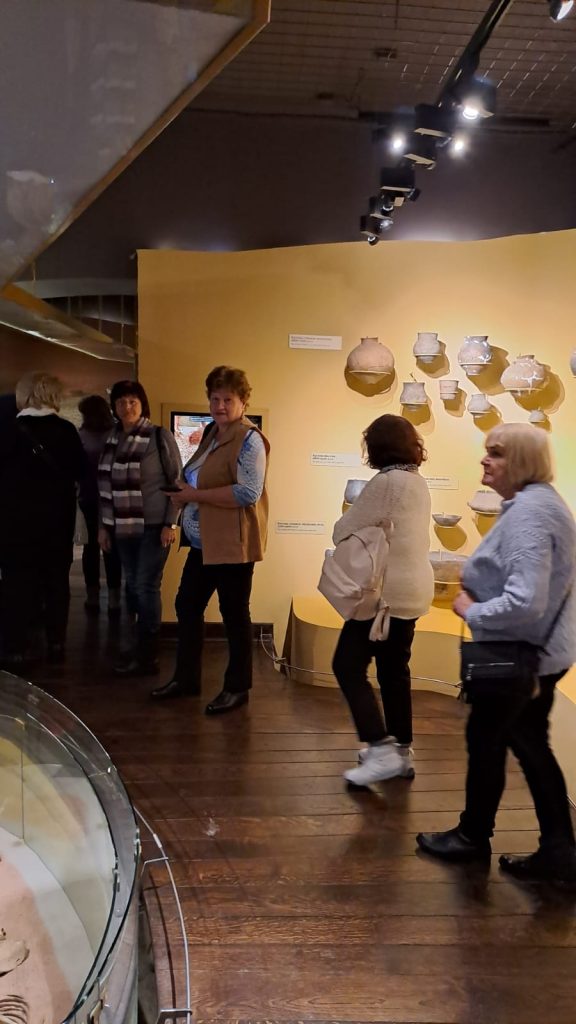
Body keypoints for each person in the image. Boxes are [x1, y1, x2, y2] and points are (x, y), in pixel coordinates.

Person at [417, 424, 576, 887]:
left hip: (521, 653)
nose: (486, 460)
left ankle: (475, 837)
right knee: (526, 744)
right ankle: (558, 853)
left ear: (523, 461)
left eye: (498, 453)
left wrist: (473, 610)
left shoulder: (530, 512)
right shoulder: (538, 504)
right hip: (537, 652)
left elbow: (526, 600)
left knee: (491, 740)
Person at [151, 365, 270, 715]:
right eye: (215, 399)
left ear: (243, 402)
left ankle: (237, 688)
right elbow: (199, 478)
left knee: (234, 616)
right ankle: (186, 679)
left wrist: (194, 496)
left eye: (228, 400)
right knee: (187, 606)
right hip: (204, 542)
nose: (220, 406)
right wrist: (183, 493)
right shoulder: (211, 433)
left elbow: (247, 493)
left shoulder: (250, 440)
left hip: (232, 544)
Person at [332, 414, 434, 785]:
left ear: (376, 447)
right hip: (413, 591)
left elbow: (343, 530)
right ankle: (402, 751)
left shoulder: (386, 482)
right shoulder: (417, 481)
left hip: (384, 597)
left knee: (347, 665)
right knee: (394, 671)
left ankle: (379, 748)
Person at [0, 372, 86, 666]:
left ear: (23, 395)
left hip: (15, 525)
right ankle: (56, 643)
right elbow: (79, 472)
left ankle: (15, 646)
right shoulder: (67, 431)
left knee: (16, 585)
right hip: (57, 523)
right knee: (56, 583)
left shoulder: (7, 431)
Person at [98, 380, 182, 676]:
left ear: (142, 404)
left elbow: (176, 482)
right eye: (121, 401)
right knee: (132, 586)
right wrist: (104, 527)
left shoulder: (158, 436)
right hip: (122, 527)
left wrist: (171, 523)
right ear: (114, 407)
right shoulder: (111, 440)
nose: (127, 407)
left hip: (155, 526)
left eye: (133, 401)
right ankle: (134, 648)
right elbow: (105, 487)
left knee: (146, 587)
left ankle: (148, 656)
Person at [78, 395, 122, 617]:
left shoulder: (81, 436)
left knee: (90, 548)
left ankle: (92, 595)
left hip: (88, 496)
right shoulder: (116, 434)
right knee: (111, 548)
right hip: (113, 497)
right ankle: (114, 598)